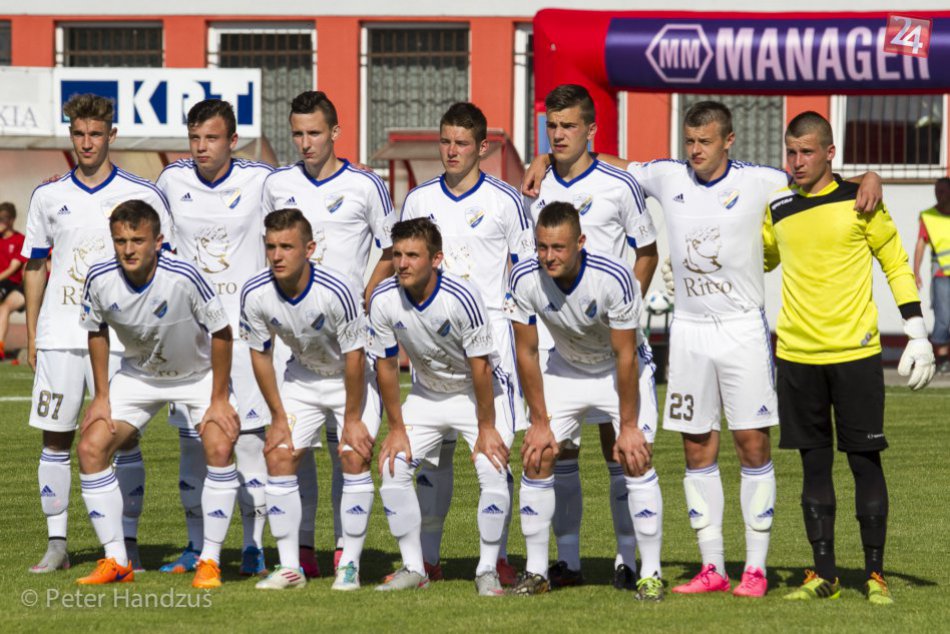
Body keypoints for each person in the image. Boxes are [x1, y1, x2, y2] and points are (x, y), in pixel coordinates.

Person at [524, 99, 884, 598]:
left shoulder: (760, 180)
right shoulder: (670, 177)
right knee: (696, 447)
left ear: (728, 141)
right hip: (689, 331)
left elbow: (815, 174)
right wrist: (548, 160)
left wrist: (866, 175)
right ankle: (712, 565)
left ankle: (755, 569)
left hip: (741, 330)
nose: (695, 151)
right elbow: (610, 163)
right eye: (689, 142)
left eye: (705, 142)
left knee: (752, 444)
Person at [763, 111, 935, 604]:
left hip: (856, 356)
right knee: (813, 468)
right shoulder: (777, 209)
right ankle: (824, 576)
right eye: (791, 152)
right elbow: (756, 257)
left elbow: (896, 263)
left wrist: (917, 331)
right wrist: (694, 269)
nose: (796, 162)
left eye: (807, 152)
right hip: (796, 356)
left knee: (864, 462)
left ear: (830, 153)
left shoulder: (862, 201)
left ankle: (875, 575)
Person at [22, 94, 171, 574]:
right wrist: (32, 333)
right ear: (72, 135)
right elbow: (36, 267)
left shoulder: (140, 194)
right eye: (79, 133)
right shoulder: (48, 195)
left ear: (112, 135)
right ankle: (57, 545)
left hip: (120, 338)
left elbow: (161, 263)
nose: (87, 142)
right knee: (56, 439)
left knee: (122, 439)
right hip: (60, 333)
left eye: (95, 133)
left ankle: (127, 545)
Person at [525, 84, 659, 590]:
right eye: (552, 127)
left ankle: (629, 562)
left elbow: (646, 252)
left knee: (620, 451)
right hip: (563, 346)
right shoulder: (537, 188)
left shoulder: (618, 184)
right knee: (556, 454)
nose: (558, 135)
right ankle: (568, 562)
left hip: (614, 343)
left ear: (590, 130)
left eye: (568, 127)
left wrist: (630, 308)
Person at [399, 101, 534, 584]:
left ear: (482, 147)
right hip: (432, 342)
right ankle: (427, 559)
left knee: (491, 453)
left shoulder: (507, 201)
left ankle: (492, 560)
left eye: (461, 143)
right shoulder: (417, 201)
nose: (451, 151)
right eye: (445, 141)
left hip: (490, 342)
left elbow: (523, 278)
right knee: (432, 458)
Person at [75, 200, 240, 588]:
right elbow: (95, 330)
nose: (128, 249)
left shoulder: (184, 275)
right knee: (90, 448)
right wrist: (101, 396)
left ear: (158, 241)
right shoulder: (99, 277)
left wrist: (218, 398)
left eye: (137, 240)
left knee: (218, 446)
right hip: (139, 376)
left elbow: (222, 332)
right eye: (120, 241)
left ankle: (210, 561)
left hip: (197, 376)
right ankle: (117, 559)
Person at [263, 90, 395, 576]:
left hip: (351, 344)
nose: (305, 142)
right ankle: (300, 552)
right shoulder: (278, 185)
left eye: (314, 132)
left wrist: (364, 293)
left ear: (335, 132)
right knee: (293, 453)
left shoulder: (366, 186)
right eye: (297, 133)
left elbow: (389, 247)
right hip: (296, 346)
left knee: (350, 451)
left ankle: (345, 550)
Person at [505, 202, 664, 599]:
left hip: (616, 369)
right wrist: (539, 422)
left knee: (634, 456)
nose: (548, 256)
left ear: (580, 242)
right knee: (537, 453)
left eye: (558, 248)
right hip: (567, 369)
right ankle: (538, 571)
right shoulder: (524, 276)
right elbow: (526, 352)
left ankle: (648, 571)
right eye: (542, 247)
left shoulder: (614, 278)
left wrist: (627, 428)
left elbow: (626, 355)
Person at [156, 99, 274, 576]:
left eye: (211, 138)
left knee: (246, 443)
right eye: (195, 138)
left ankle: (253, 546)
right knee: (192, 447)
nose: (201, 147)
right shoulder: (171, 182)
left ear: (232, 140)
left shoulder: (262, 180)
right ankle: (195, 545)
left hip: (245, 335)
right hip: (190, 336)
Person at [369, 218, 514, 596]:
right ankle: (415, 568)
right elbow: (385, 366)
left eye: (412, 255)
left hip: (477, 393)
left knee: (493, 466)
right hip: (428, 395)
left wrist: (486, 427)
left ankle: (487, 571)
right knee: (393, 465)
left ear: (436, 259)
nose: (402, 263)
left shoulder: (462, 296)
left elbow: (481, 366)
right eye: (397, 254)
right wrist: (396, 428)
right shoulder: (384, 298)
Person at [240, 209, 380, 591]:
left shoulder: (337, 292)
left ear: (310, 249)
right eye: (271, 247)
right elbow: (260, 354)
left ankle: (348, 565)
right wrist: (278, 416)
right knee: (279, 454)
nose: (277, 255)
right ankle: (290, 569)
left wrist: (352, 419)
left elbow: (355, 357)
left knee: (353, 453)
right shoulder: (255, 293)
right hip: (301, 378)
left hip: (348, 381)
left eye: (287, 246)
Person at [913, 177, 950, 373]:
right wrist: (916, 271)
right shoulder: (928, 216)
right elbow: (921, 243)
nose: (939, 195)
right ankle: (943, 359)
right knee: (943, 317)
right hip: (942, 274)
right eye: (937, 191)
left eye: (943, 191)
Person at [0, 202, 27, 360]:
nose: (2, 222)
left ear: (12, 220)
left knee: (5, 308)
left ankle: (0, 348)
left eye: (5, 218)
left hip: (13, 284)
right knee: (3, 309)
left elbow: (12, 268)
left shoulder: (20, 240)